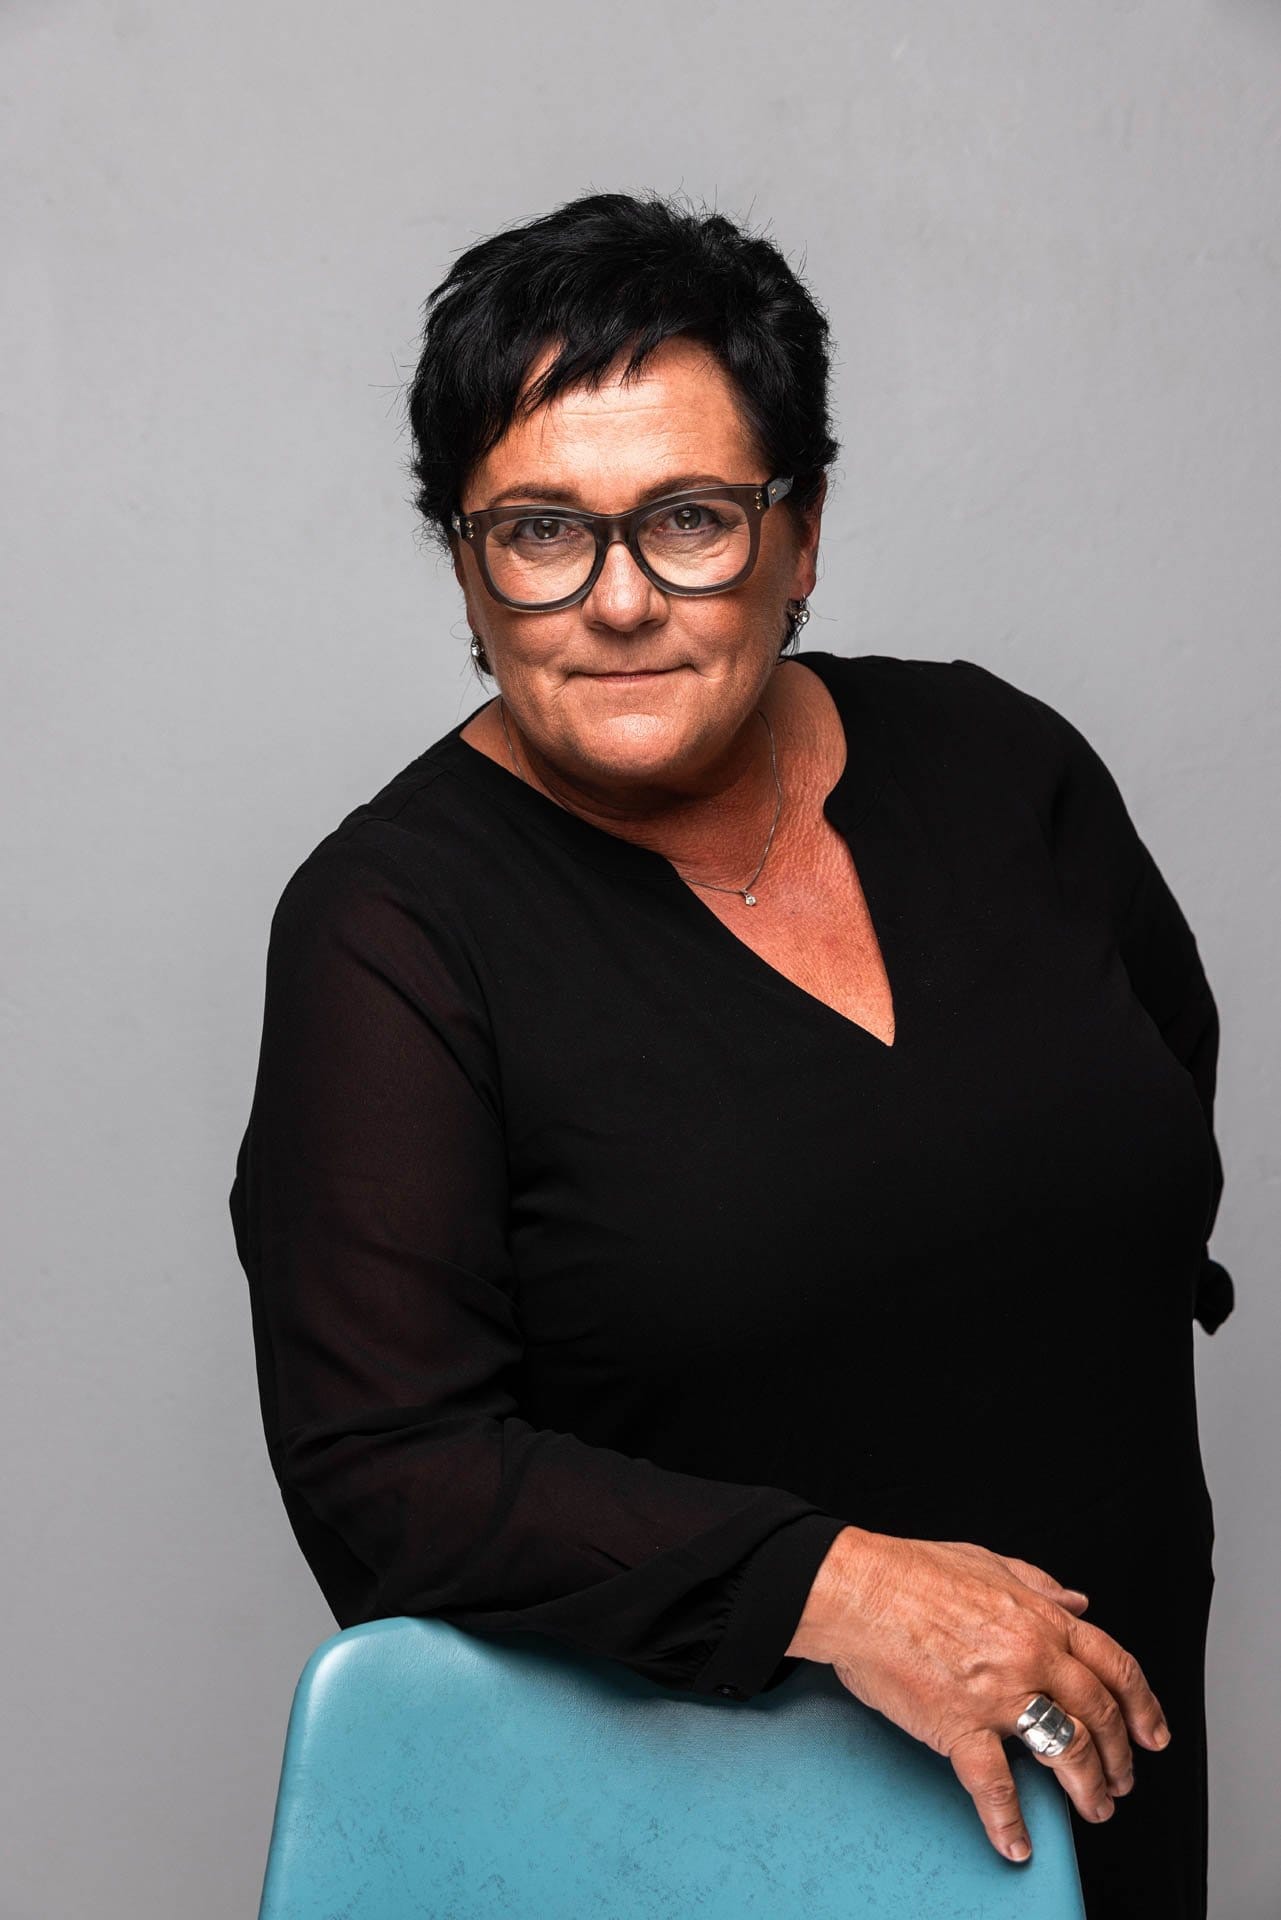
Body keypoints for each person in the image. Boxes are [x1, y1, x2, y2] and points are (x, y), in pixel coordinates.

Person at [228, 190, 1235, 1918]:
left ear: (801, 531)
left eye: (688, 518)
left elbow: (1152, 1128)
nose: (618, 598)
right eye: (539, 530)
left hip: (1103, 1768)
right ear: (464, 563)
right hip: (685, 1831)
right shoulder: (390, 926)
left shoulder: (1004, 765)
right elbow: (386, 1471)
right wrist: (843, 1592)